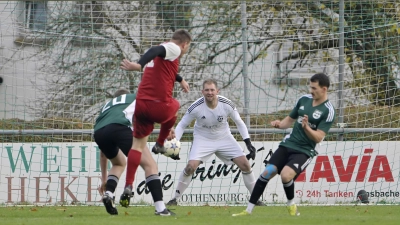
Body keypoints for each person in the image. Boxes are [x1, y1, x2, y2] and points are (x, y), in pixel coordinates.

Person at [232, 73, 335, 217]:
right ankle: (248, 210)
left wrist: (307, 128)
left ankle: (291, 204)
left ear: (324, 89)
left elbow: (318, 137)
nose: (311, 91)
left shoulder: (328, 111)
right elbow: (289, 119)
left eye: (314, 88)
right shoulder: (303, 100)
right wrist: (279, 124)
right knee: (267, 172)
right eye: (310, 87)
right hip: (288, 144)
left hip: (305, 150)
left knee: (286, 176)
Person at [120, 29, 191, 216]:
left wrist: (180, 79)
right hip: (157, 105)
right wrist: (138, 65)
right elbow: (155, 49)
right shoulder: (174, 48)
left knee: (137, 146)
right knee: (175, 106)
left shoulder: (164, 56)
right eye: (188, 47)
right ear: (184, 44)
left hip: (141, 105)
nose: (186, 50)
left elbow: (163, 66)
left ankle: (128, 185)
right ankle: (160, 144)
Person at [166, 78, 262, 206]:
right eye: (207, 90)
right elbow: (182, 125)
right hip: (202, 139)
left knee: (245, 165)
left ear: (217, 91)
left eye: (212, 90)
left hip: (224, 138)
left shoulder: (226, 104)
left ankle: (255, 200)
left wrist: (248, 142)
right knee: (190, 168)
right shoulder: (196, 107)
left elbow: (239, 122)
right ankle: (175, 199)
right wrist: (175, 143)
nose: (209, 92)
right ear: (202, 92)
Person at [94, 87, 183, 216]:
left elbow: (103, 154)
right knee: (150, 165)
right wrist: (170, 127)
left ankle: (109, 193)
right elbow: (158, 109)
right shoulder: (135, 98)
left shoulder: (107, 107)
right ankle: (161, 208)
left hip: (99, 132)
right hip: (121, 128)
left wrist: (104, 179)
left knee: (118, 163)